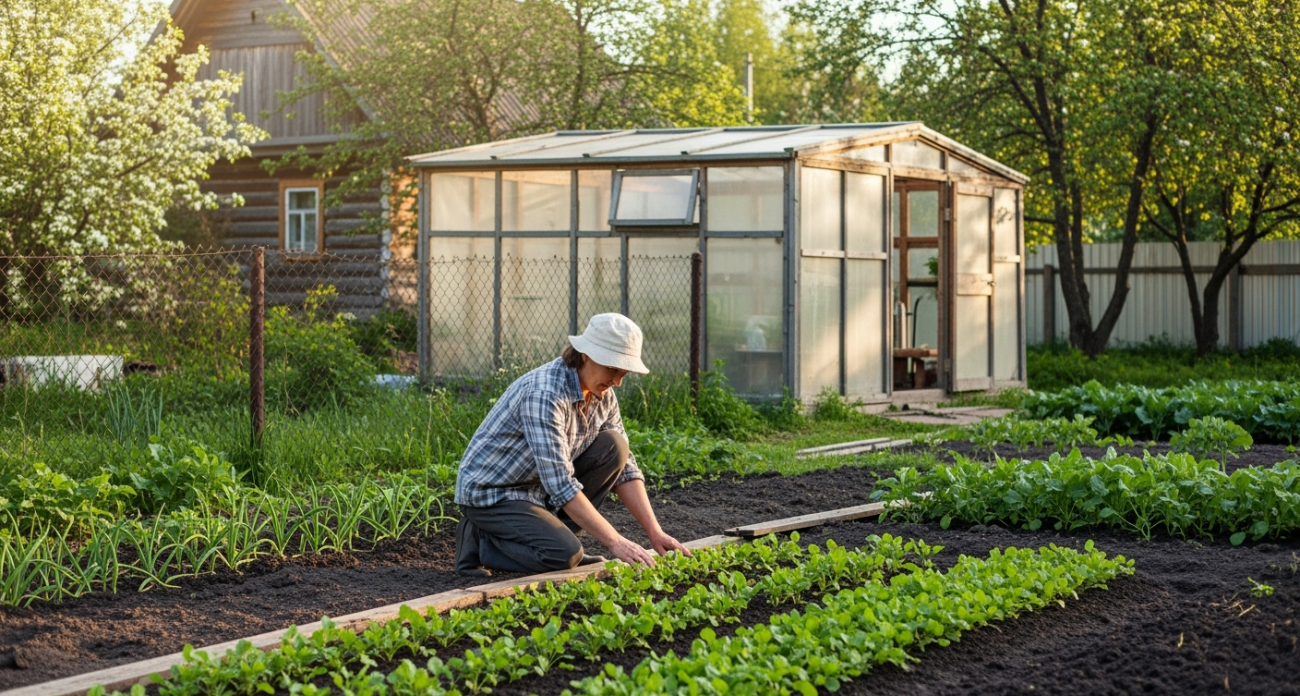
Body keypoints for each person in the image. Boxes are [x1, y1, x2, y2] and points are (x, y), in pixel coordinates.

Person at [453, 312, 692, 577]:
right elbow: (561, 484)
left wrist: (654, 532)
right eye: (613, 369)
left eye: (623, 372)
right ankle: (481, 539)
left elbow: (625, 468)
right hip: (493, 492)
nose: (618, 382)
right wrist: (616, 541)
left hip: (536, 488)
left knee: (615, 448)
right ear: (586, 354)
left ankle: (558, 540)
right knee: (563, 555)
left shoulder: (603, 393)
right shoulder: (545, 394)